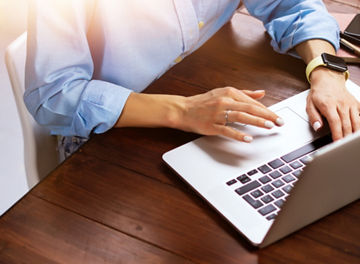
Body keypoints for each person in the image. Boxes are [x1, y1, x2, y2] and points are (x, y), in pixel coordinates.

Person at [25, 0, 360, 158]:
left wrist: (327, 71)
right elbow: (54, 95)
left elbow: (291, 4)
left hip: (211, 94)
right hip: (112, 136)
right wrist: (183, 110)